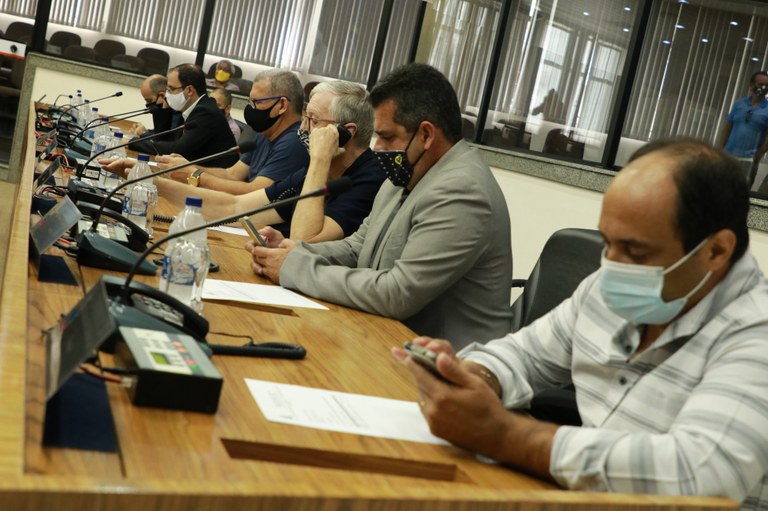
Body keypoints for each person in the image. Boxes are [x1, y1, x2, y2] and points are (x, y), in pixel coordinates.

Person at [392, 138, 768, 508]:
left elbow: (698, 475)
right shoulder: (606, 289)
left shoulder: (755, 333)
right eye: (607, 243)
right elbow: (525, 353)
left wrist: (503, 435)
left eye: (635, 251)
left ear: (716, 250)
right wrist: (476, 377)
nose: (610, 266)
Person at [248, 63, 513, 349]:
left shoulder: (462, 191)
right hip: (387, 338)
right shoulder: (406, 174)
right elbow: (358, 247)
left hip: (449, 362)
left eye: (386, 137)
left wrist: (295, 268)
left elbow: (397, 293)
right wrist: (294, 250)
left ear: (426, 135)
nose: (377, 148)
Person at [154, 80, 385, 242]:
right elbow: (235, 207)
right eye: (305, 118)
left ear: (346, 133)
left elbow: (304, 241)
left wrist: (320, 159)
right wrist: (156, 183)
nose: (304, 128)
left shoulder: (370, 180)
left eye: (314, 120)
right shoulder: (311, 171)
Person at [159, 68, 307, 193]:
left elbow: (255, 192)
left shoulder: (294, 142)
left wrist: (194, 174)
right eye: (250, 102)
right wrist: (187, 167)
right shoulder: (265, 133)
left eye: (256, 102)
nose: (251, 109)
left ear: (282, 105)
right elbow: (232, 174)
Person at [129, 64, 238, 168]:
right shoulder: (191, 109)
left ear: (189, 90)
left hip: (216, 177)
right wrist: (165, 109)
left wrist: (133, 142)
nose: (167, 94)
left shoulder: (206, 112)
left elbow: (178, 149)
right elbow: (165, 140)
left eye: (171, 89)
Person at [720, 70, 768, 188]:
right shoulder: (739, 103)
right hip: (728, 155)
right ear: (751, 85)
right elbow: (728, 127)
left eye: (766, 85)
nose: (763, 87)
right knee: (721, 189)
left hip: (749, 159)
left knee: (741, 191)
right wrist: (721, 148)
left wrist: (759, 155)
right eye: (760, 84)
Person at [128, 74, 182, 139]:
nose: (147, 105)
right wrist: (145, 132)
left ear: (162, 95)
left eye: (149, 100)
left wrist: (143, 134)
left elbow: (166, 138)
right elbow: (158, 132)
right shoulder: (163, 109)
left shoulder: (177, 111)